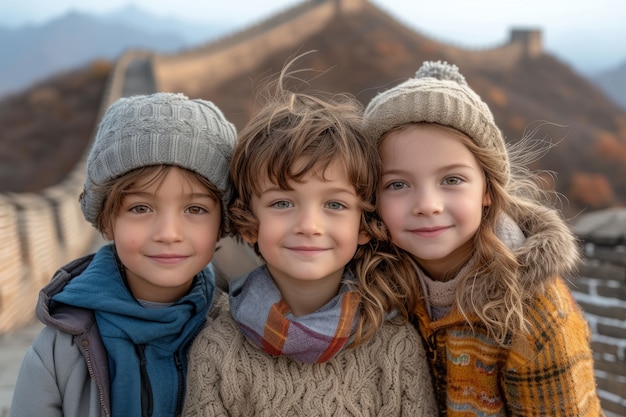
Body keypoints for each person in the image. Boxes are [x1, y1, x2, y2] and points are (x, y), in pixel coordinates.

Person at [182, 58, 437, 417]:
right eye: (282, 202)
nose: (309, 225)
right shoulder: (219, 350)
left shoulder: (395, 347)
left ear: (363, 226)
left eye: (334, 204)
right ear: (249, 222)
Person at [363, 60, 604, 416]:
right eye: (397, 184)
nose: (427, 205)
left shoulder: (534, 316)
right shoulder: (372, 286)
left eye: (451, 180)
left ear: (487, 190)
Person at [10, 92, 237, 417]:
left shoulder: (244, 336)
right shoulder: (60, 352)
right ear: (107, 220)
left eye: (195, 208)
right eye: (141, 208)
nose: (169, 233)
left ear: (223, 223)